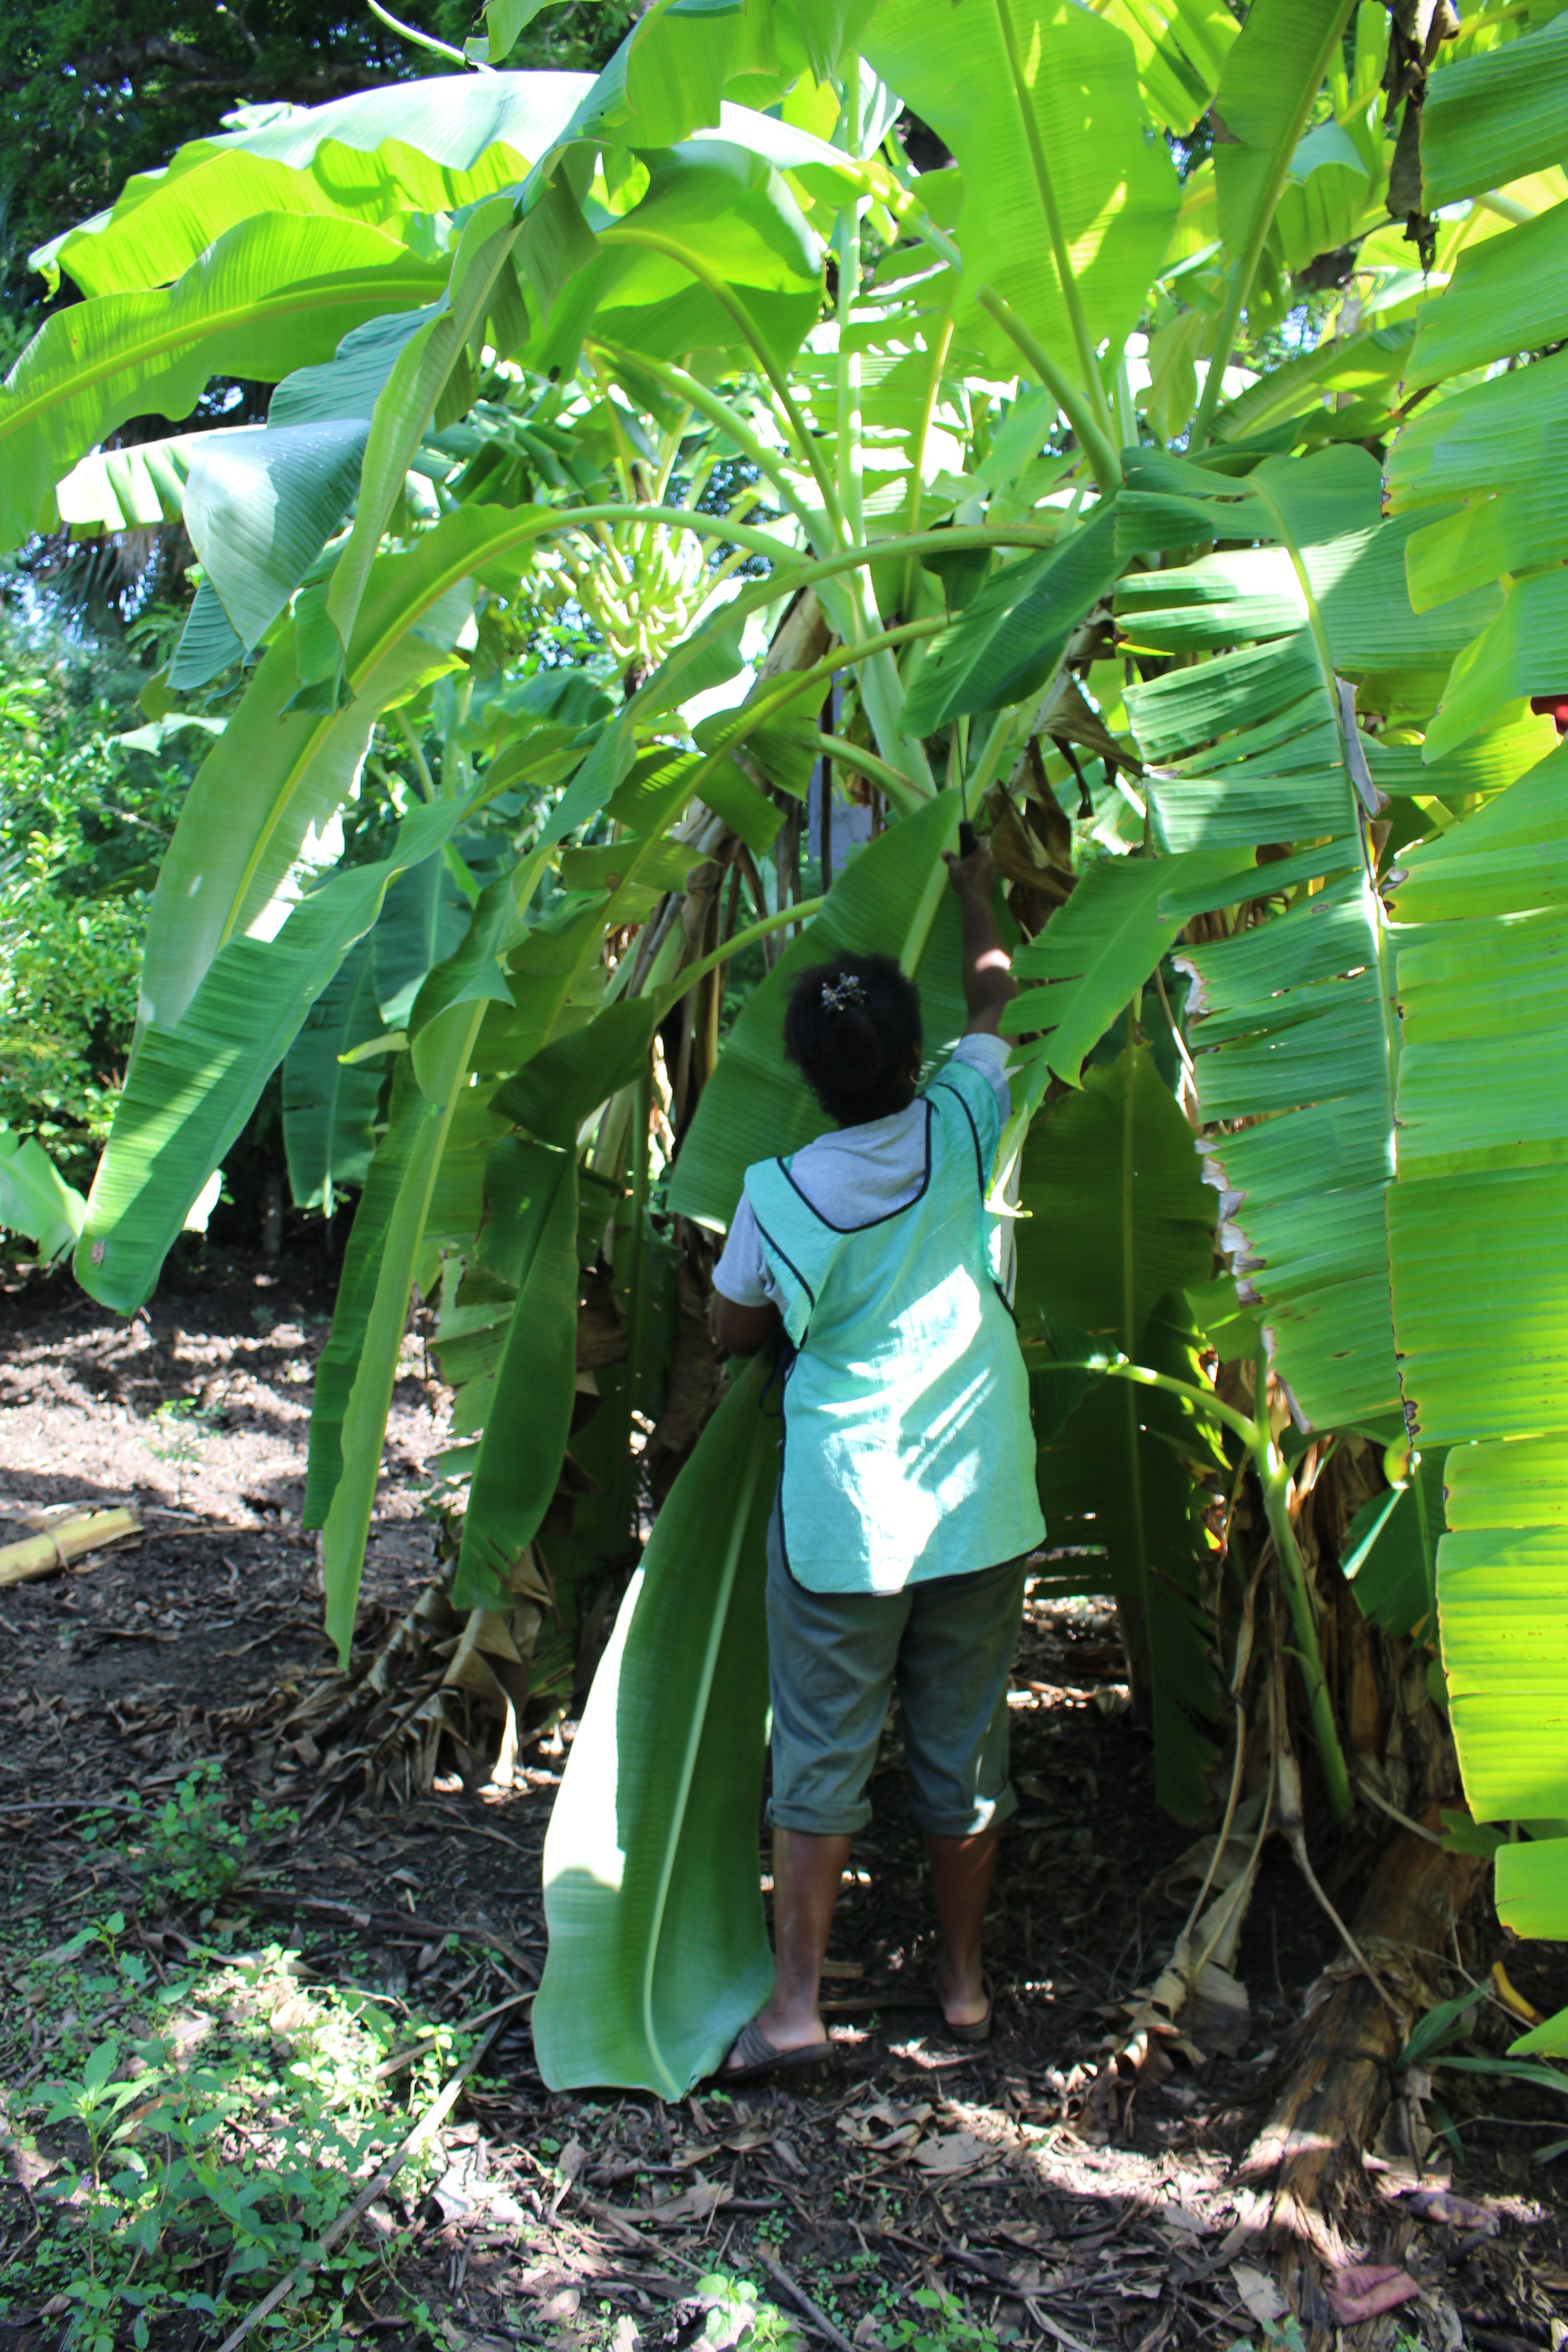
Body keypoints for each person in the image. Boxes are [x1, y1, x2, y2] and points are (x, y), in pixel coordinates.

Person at [710, 839, 1045, 2082]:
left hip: (846, 1512)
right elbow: (997, 993)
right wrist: (971, 889)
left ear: (806, 1075)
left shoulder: (777, 1190)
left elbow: (736, 1326)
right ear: (914, 1058)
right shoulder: (963, 1123)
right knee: (965, 1755)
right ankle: (962, 1989)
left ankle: (796, 2007)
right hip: (975, 1497)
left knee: (821, 1757)